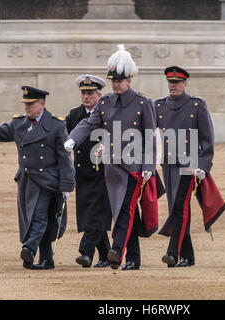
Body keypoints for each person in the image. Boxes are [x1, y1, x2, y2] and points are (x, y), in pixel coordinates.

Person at [64, 44, 163, 270]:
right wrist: (73, 138)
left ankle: (117, 249)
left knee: (124, 209)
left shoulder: (142, 103)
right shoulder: (105, 102)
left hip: (135, 167)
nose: (116, 84)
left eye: (120, 80)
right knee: (128, 212)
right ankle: (134, 259)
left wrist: (149, 165)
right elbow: (90, 123)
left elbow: (150, 137)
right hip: (112, 168)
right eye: (114, 81)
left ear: (129, 80)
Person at [0, 86, 75, 270]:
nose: (27, 108)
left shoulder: (56, 125)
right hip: (27, 180)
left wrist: (67, 185)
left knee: (39, 216)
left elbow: (64, 157)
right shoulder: (19, 123)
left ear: (42, 104)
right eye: (25, 104)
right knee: (37, 218)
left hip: (47, 180)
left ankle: (29, 248)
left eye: (31, 104)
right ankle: (47, 259)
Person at [156, 66, 225, 268]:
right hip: (168, 164)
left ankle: (172, 253)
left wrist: (204, 166)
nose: (173, 86)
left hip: (189, 165)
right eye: (170, 82)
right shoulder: (159, 106)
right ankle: (187, 256)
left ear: (185, 83)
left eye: (177, 82)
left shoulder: (197, 105)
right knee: (175, 208)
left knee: (180, 206)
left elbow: (207, 139)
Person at [66, 75, 112, 268]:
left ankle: (86, 252)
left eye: (90, 93)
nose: (86, 96)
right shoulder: (74, 115)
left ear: (99, 95)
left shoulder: (108, 113)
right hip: (82, 172)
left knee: (97, 213)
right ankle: (106, 255)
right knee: (91, 213)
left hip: (103, 172)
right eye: (83, 93)